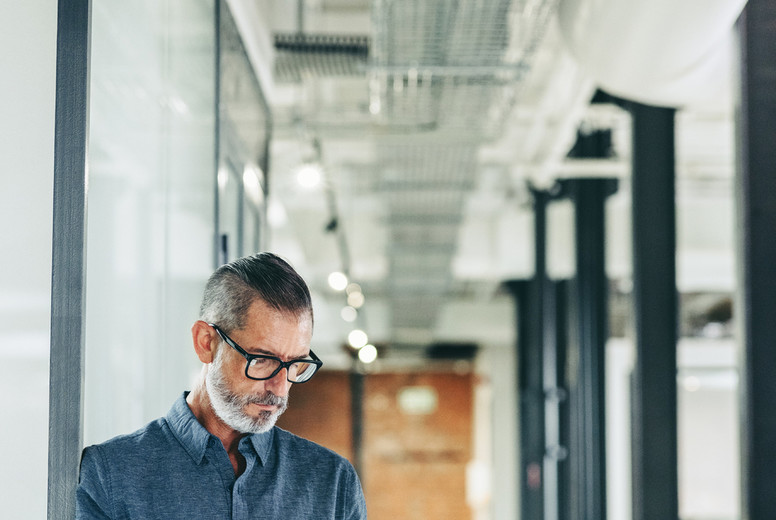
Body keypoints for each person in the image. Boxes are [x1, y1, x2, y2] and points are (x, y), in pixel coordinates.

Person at [76, 252, 367, 519]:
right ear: (206, 343)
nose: (279, 387)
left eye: (294, 364)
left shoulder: (333, 484)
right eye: (263, 359)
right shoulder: (110, 475)